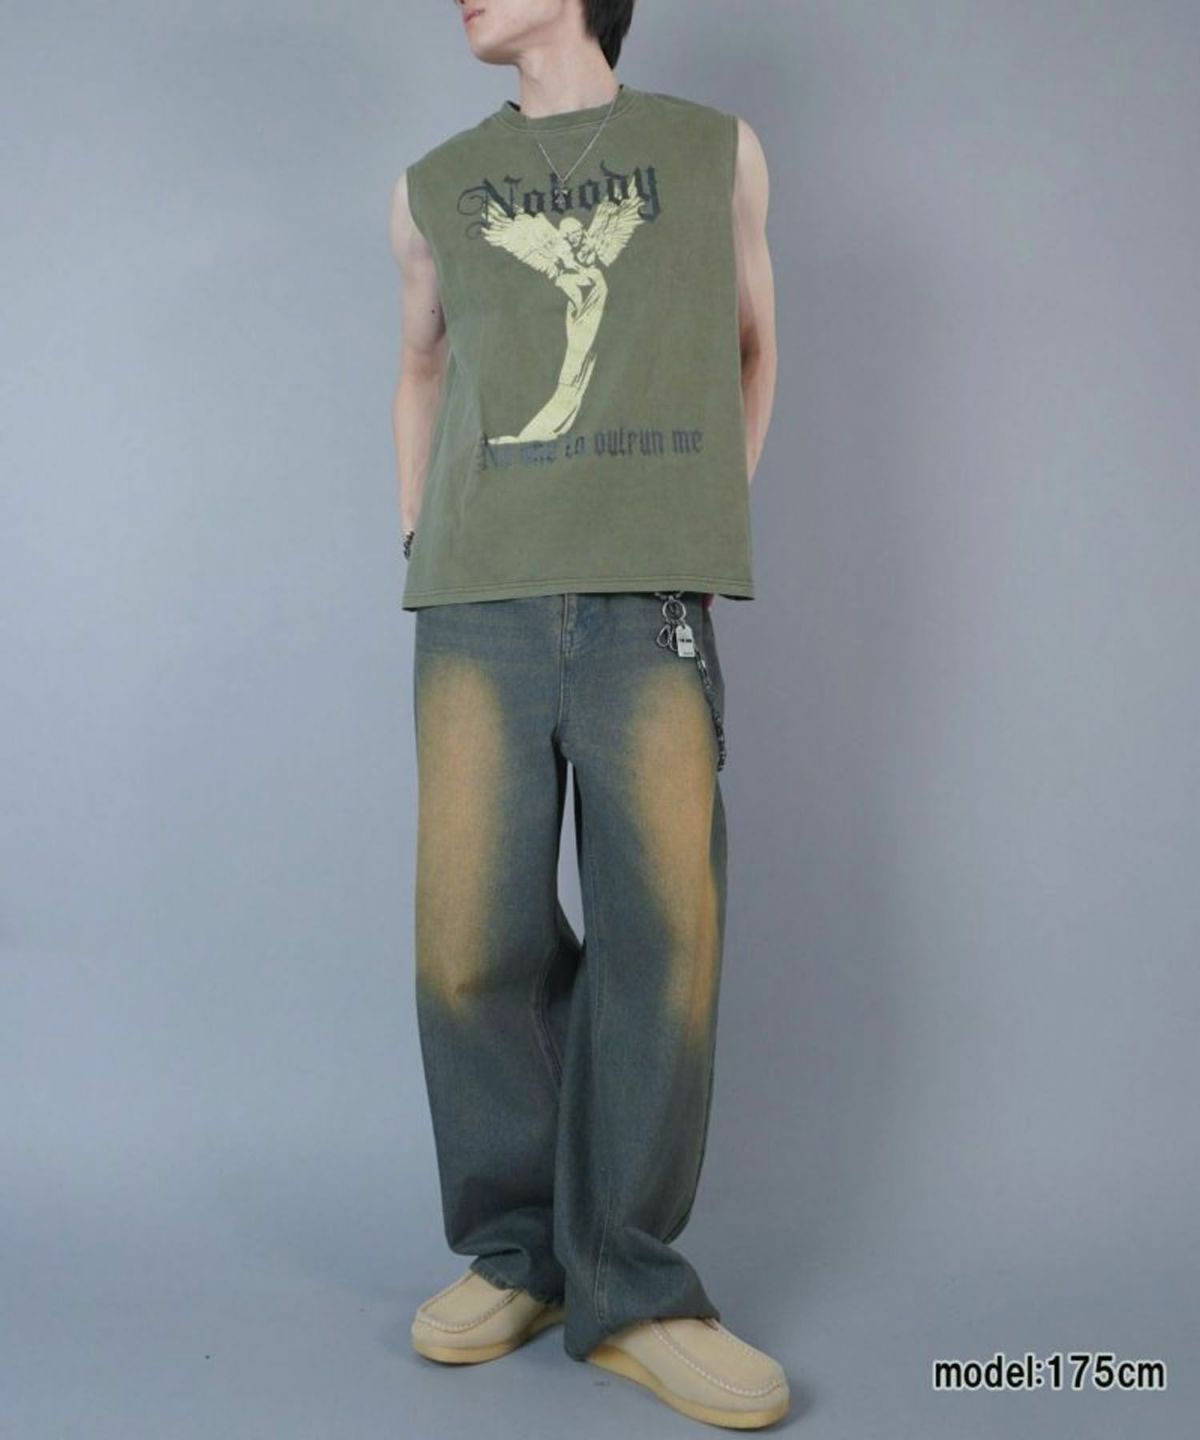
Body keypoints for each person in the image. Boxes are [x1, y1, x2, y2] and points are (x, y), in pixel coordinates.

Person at [388, 0, 780, 1427]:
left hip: (643, 610)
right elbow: (421, 368)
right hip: (478, 609)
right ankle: (524, 1253)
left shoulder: (716, 153)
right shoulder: (431, 186)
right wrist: (421, 544)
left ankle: (632, 1283)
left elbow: (752, 345)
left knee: (662, 946)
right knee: (466, 950)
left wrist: (696, 527)